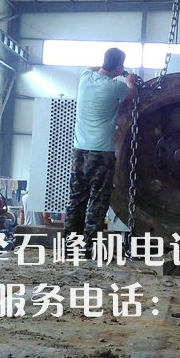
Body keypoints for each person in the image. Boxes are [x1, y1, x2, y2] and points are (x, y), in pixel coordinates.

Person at [63, 47, 137, 250]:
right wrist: (129, 78)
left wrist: (111, 68)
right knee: (98, 200)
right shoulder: (115, 87)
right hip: (101, 153)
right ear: (119, 67)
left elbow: (92, 68)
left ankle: (70, 245)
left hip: (79, 151)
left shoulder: (85, 78)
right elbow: (133, 93)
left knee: (77, 198)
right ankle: (88, 247)